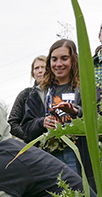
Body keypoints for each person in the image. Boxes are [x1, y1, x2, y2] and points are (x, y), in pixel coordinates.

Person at [21, 39, 90, 179]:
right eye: (54, 59)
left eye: (64, 58)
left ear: (73, 61)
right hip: (48, 157)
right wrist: (42, 122)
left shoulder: (86, 89)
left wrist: (76, 112)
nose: (59, 64)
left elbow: (98, 120)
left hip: (77, 156)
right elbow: (26, 128)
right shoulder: (38, 93)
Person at [8, 56, 47, 141]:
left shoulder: (58, 92)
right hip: (36, 148)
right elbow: (12, 123)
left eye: (43, 67)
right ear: (33, 73)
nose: (40, 71)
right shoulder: (25, 95)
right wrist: (29, 138)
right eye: (36, 68)